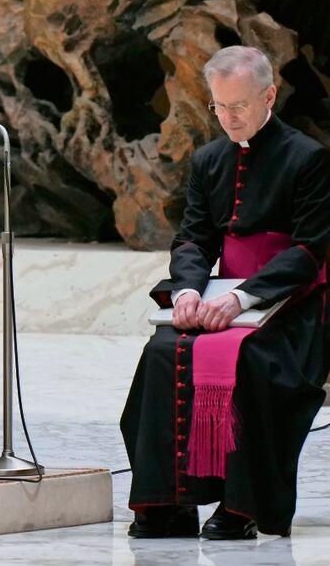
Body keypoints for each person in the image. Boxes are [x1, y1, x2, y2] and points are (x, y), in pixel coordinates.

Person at [121, 46, 330, 539]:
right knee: (162, 352)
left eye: (238, 106)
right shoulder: (208, 159)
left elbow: (309, 250)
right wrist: (187, 294)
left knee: (253, 361)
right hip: (218, 298)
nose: (228, 118)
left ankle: (243, 504)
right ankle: (168, 502)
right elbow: (194, 238)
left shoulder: (309, 158)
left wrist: (242, 299)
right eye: (219, 107)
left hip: (291, 304)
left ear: (269, 96)